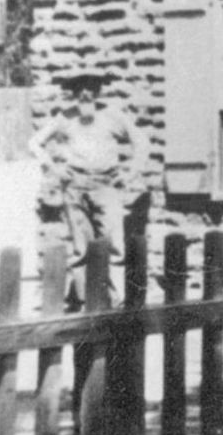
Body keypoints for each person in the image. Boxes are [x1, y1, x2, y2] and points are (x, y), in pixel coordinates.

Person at [31, 73, 143, 285]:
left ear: (99, 91)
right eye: (79, 89)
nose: (85, 94)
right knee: (80, 250)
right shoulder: (65, 118)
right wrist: (54, 169)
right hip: (75, 188)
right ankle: (85, 304)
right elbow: (35, 143)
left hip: (105, 186)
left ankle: (116, 305)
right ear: (73, 93)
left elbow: (142, 142)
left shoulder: (113, 116)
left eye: (91, 88)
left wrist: (130, 173)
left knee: (114, 247)